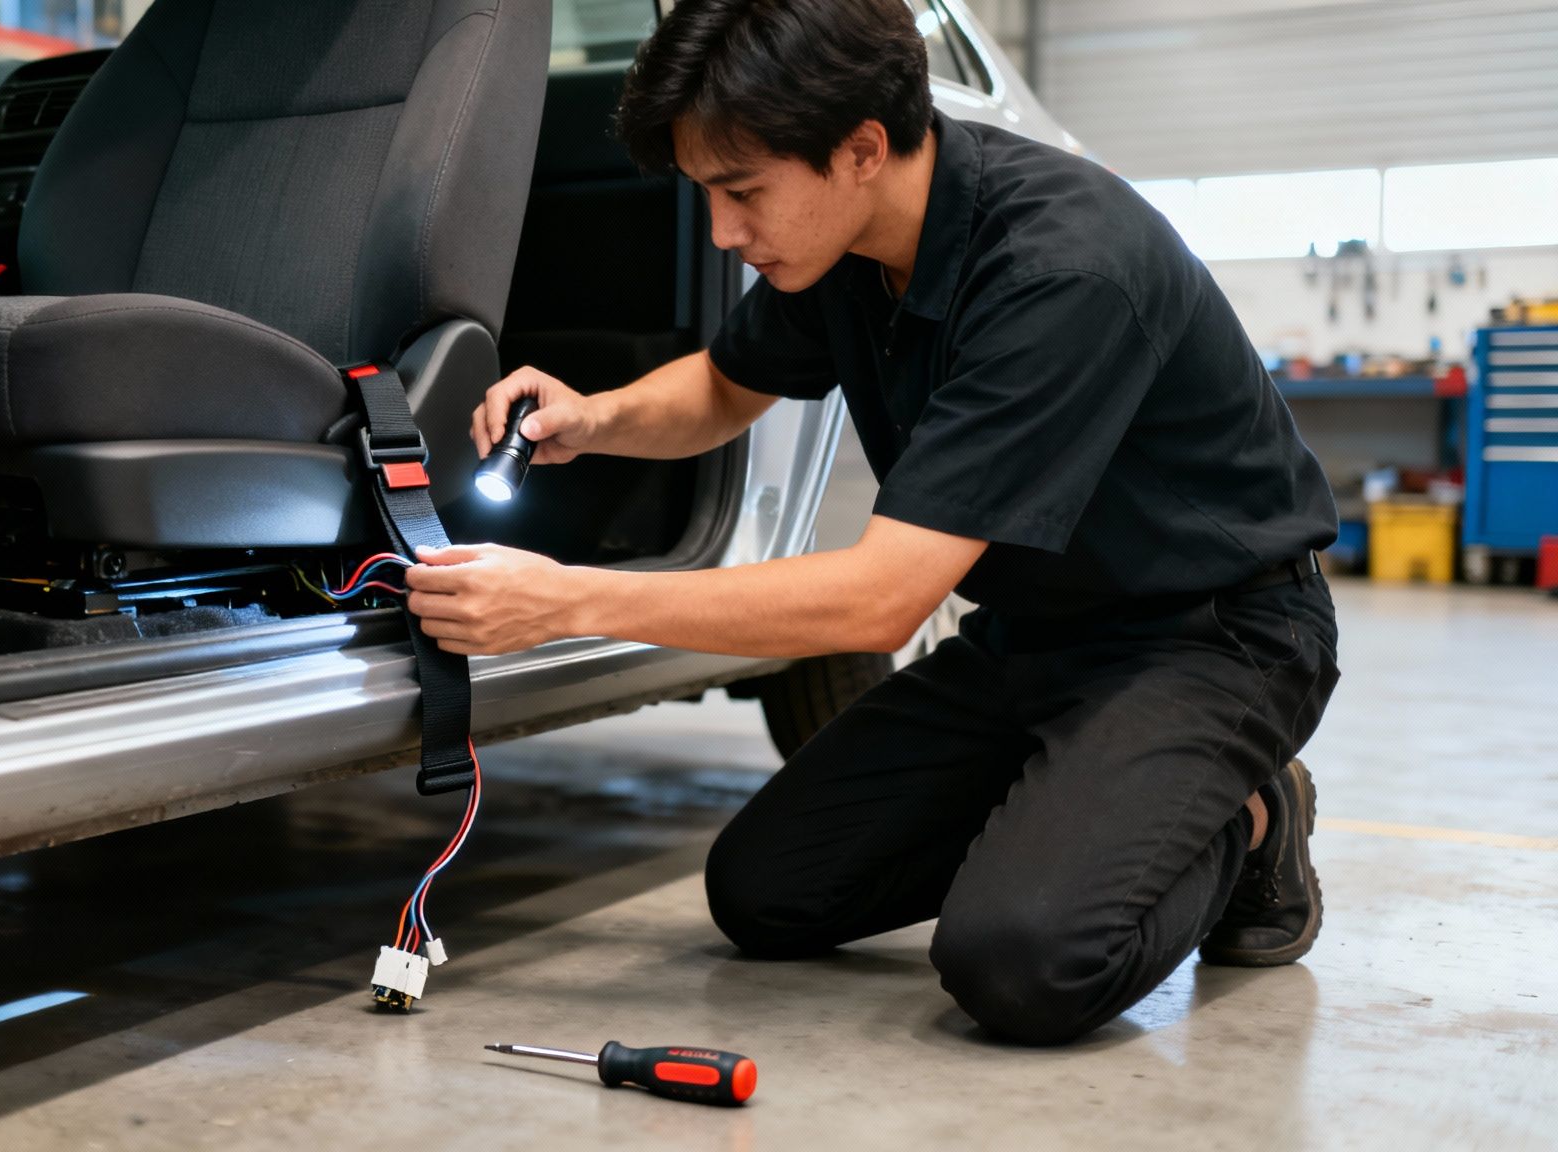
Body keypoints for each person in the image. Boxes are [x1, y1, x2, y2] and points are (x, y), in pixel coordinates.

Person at [401, 0, 1339, 1045]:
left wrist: (564, 601)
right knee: (765, 892)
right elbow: (726, 383)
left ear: (858, 149)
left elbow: (879, 601)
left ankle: (1247, 816)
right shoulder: (845, 247)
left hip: (1209, 638)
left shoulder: (1057, 271)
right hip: (1030, 638)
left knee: (1021, 963)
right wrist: (595, 417)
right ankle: (1089, 798)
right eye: (705, 192)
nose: (720, 231)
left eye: (741, 191)